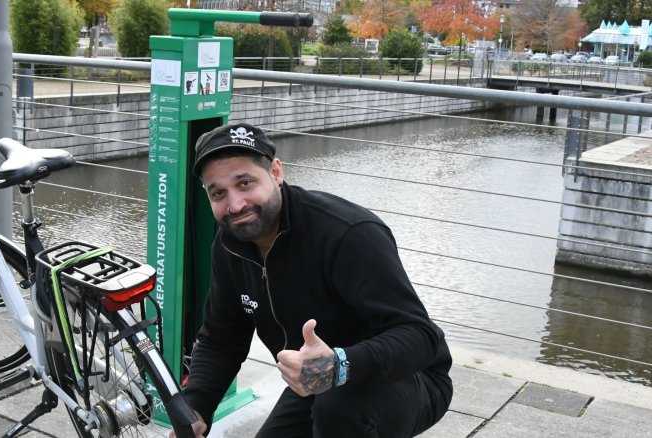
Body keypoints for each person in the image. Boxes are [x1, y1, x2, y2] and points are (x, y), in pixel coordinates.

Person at [171, 123, 453, 437]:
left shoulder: (348, 233)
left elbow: (420, 337)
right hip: (318, 380)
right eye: (218, 193)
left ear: (277, 172)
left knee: (338, 412)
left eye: (245, 182)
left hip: (409, 378)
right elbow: (221, 338)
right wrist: (197, 408)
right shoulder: (229, 244)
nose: (235, 205)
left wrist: (339, 364)